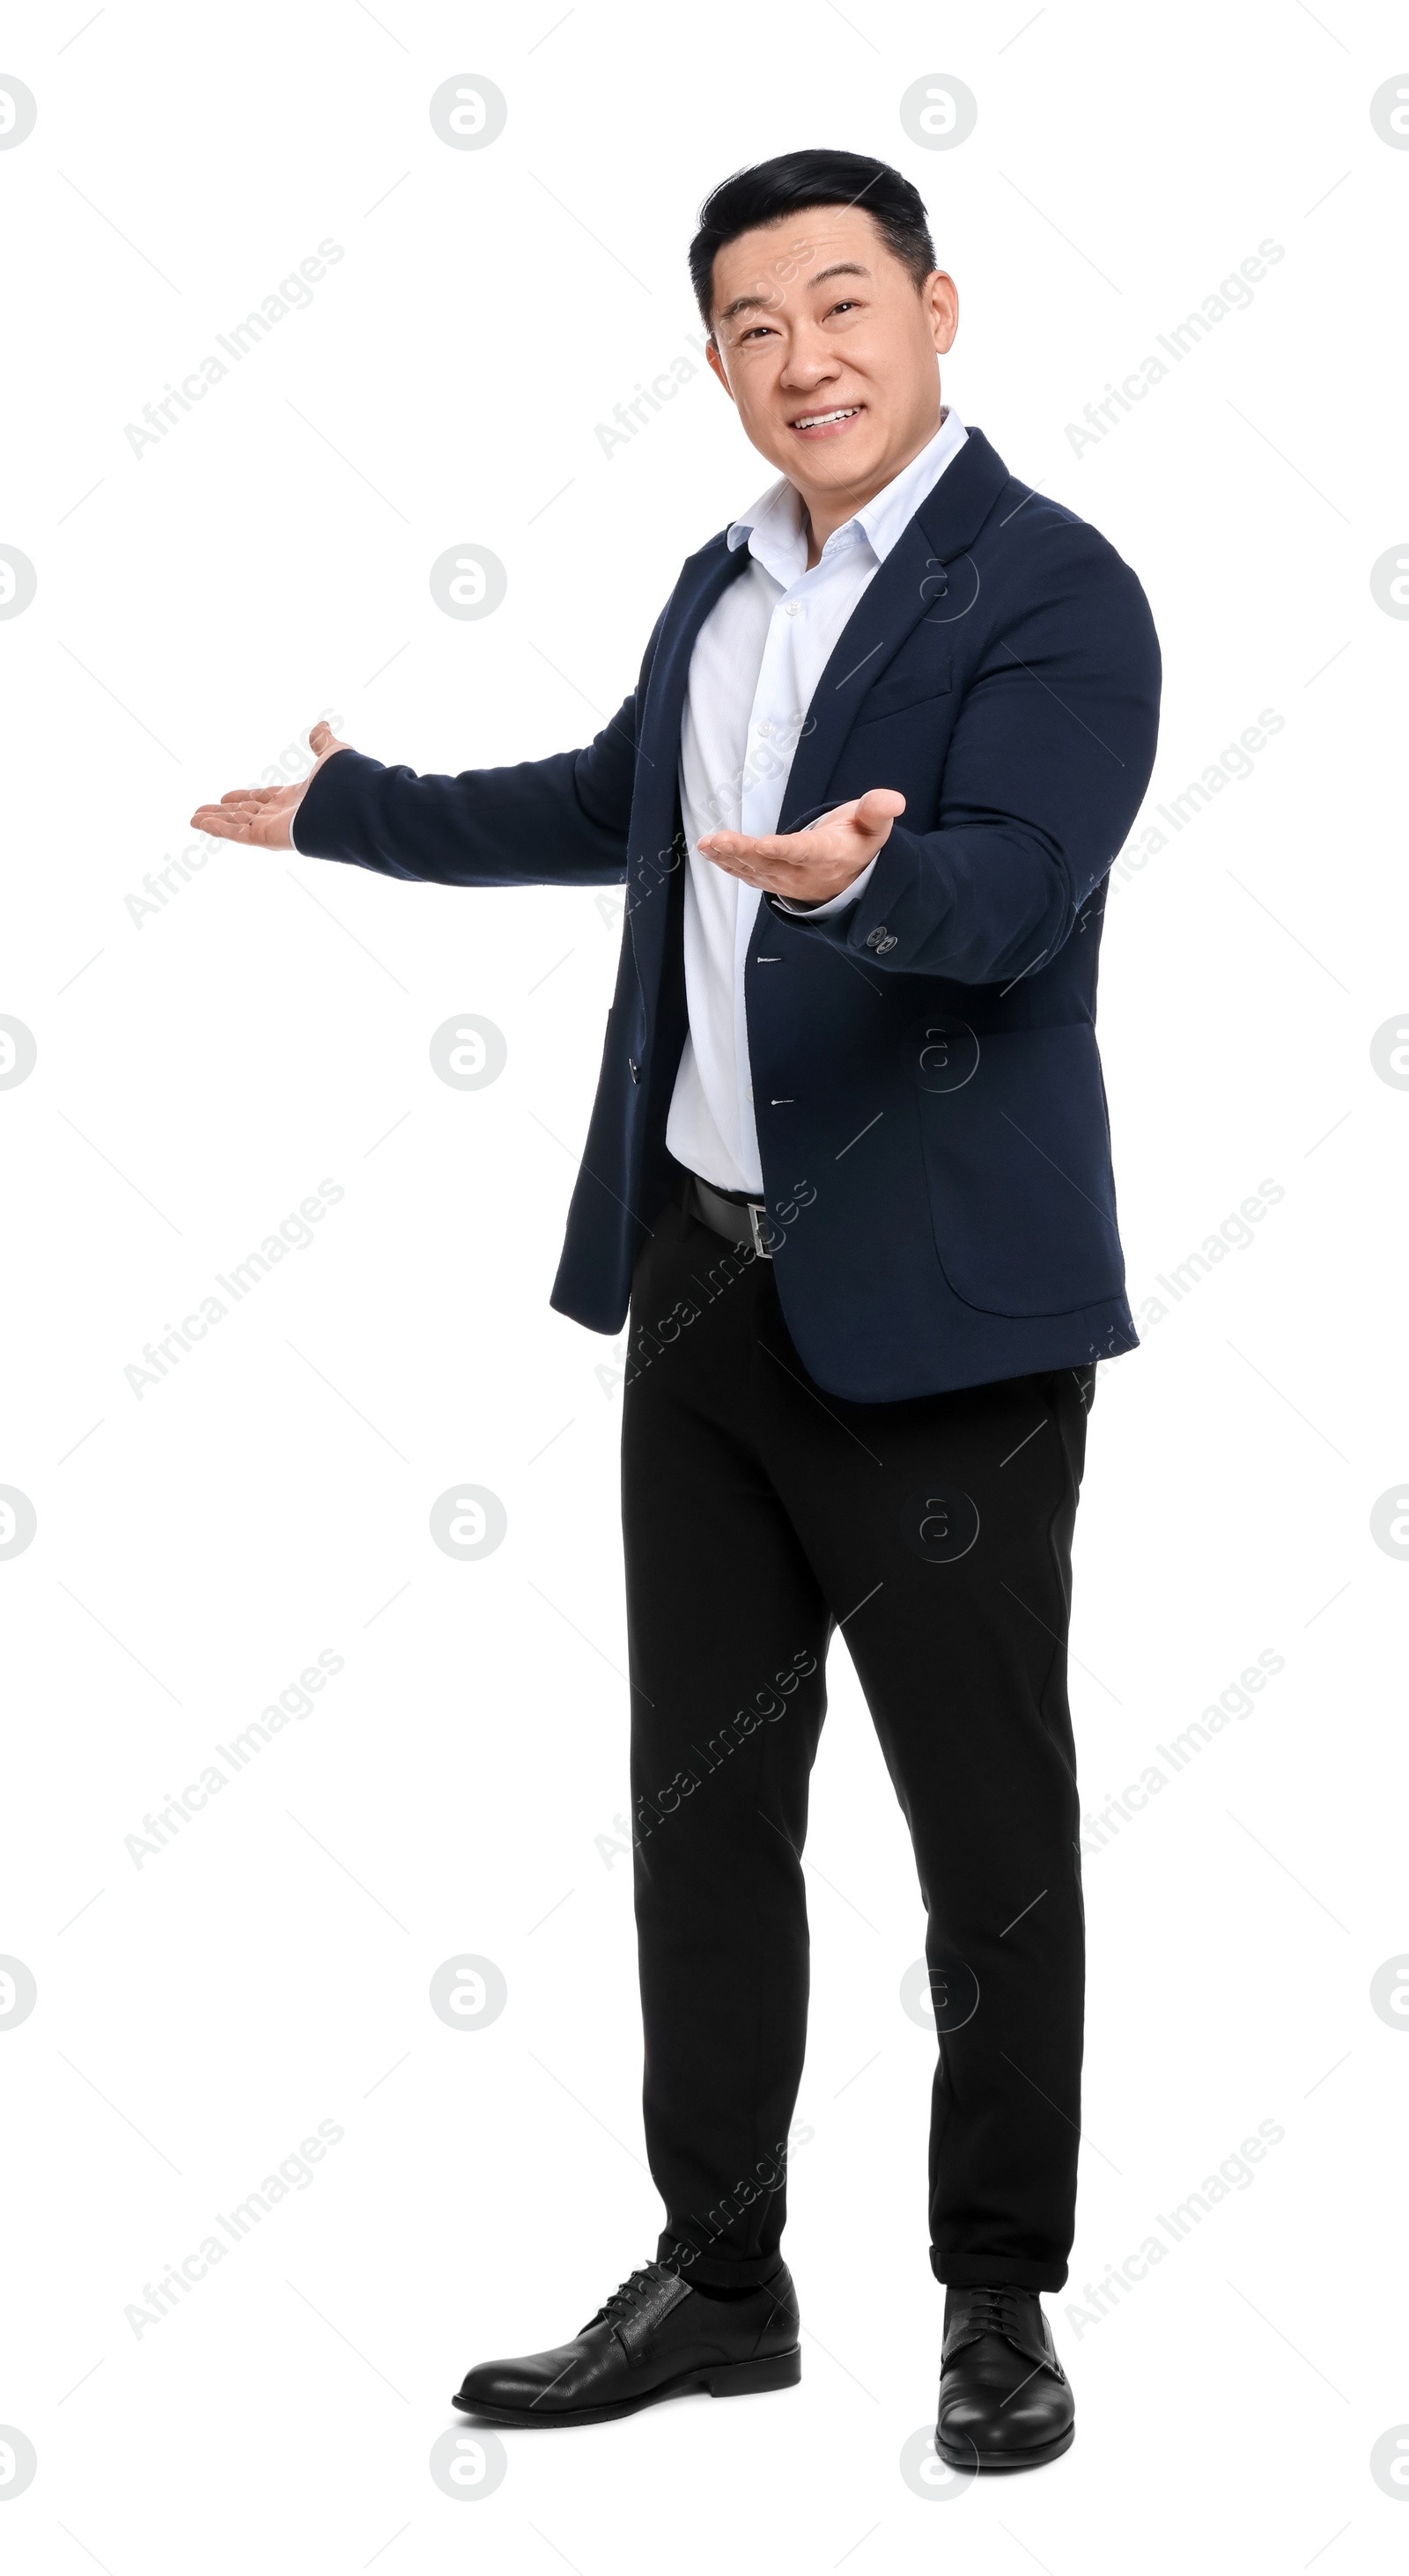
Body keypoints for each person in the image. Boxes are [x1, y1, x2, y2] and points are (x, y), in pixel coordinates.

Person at [193, 147, 1161, 2472]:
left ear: (939, 308)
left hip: (941, 1330)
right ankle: (718, 2277)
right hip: (703, 1289)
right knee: (698, 1815)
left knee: (983, 1833)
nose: (804, 356)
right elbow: (617, 804)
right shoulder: (714, 597)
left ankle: (998, 2298)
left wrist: (873, 881)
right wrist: (356, 816)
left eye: (845, 303)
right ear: (716, 359)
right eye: (753, 323)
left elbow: (1019, 888)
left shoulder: (1051, 589)